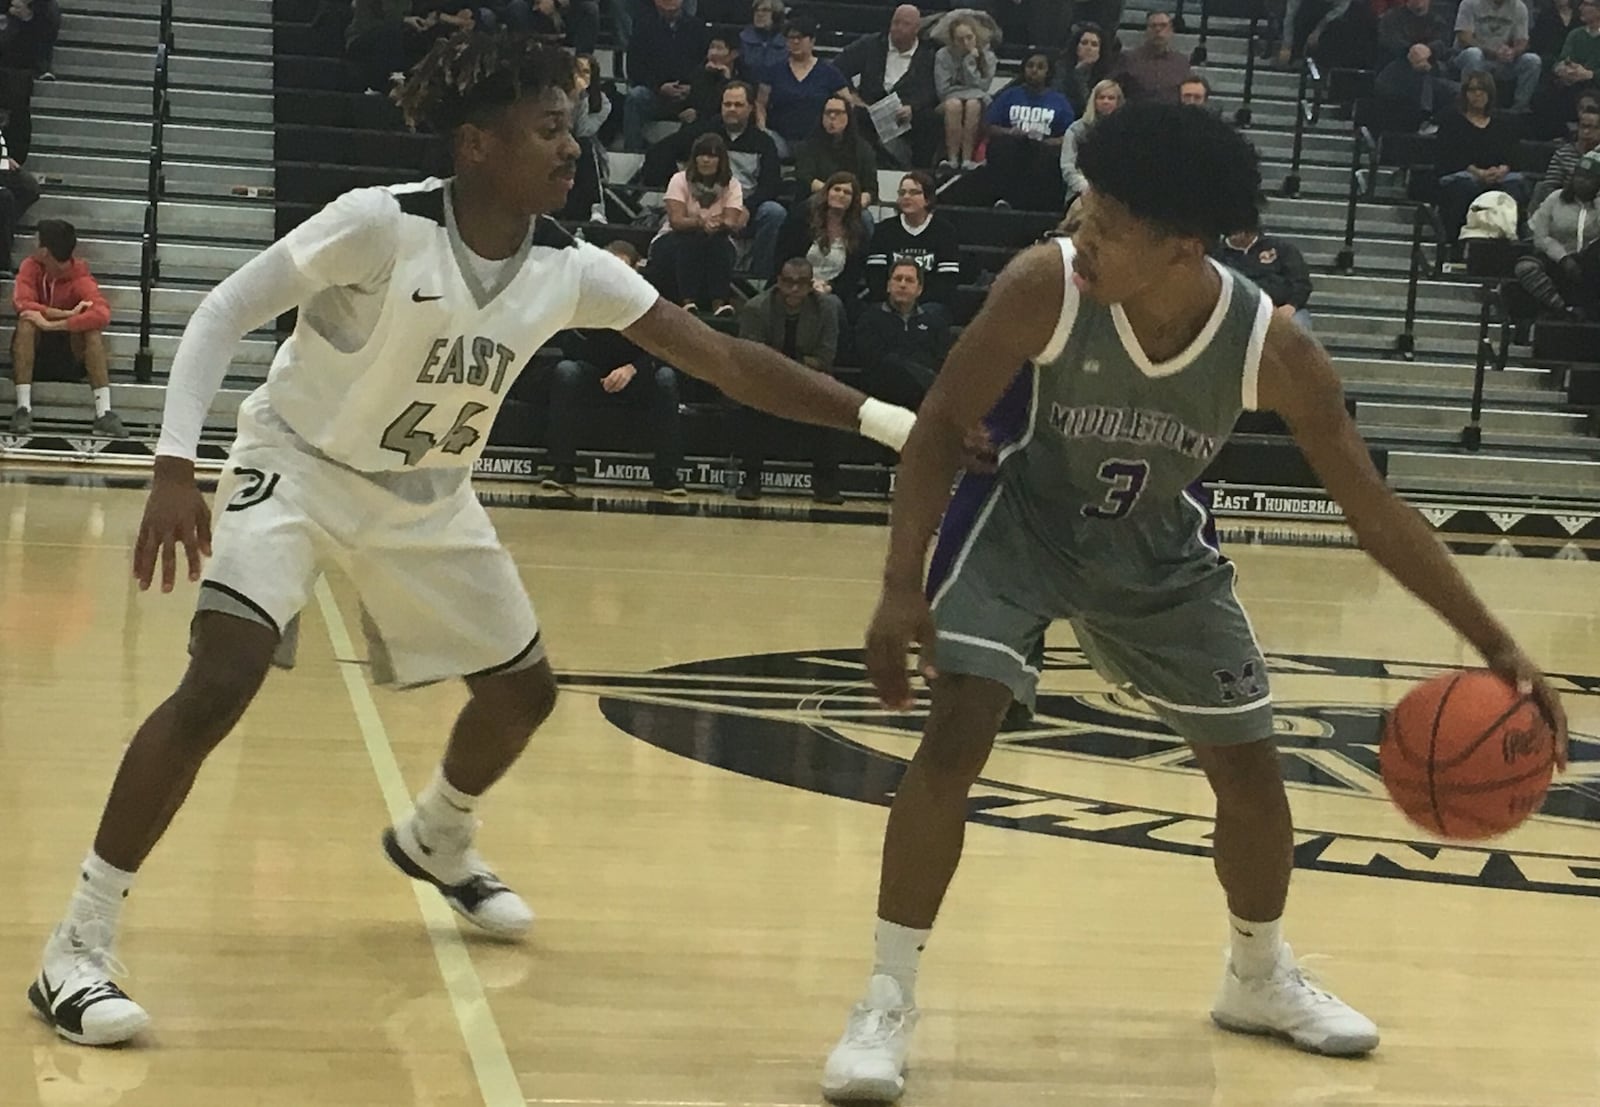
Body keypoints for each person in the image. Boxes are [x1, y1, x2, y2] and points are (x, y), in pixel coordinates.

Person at [27, 29, 920, 1050]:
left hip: (429, 496)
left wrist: (887, 422)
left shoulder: (568, 266)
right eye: (546, 129)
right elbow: (226, 310)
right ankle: (78, 944)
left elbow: (721, 358)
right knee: (222, 677)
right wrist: (176, 466)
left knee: (523, 696)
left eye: (572, 130)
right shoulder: (378, 226)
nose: (570, 148)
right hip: (301, 468)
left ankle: (437, 835)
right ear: (476, 144)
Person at [818, 102, 1569, 1103]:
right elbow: (942, 423)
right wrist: (897, 586)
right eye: (1083, 209)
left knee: (1253, 772)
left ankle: (1256, 976)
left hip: (1158, 549)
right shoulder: (1044, 285)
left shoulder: (1271, 347)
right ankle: (885, 996)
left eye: (1109, 224)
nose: (1081, 233)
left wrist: (1498, 645)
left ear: (1183, 249)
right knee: (956, 733)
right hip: (1022, 525)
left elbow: (1373, 510)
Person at [8, 218, 120, 437]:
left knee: (92, 330)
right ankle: (23, 408)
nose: (33, 244)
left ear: (45, 252)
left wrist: (54, 325)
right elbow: (21, 303)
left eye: (37, 241)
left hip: (69, 354)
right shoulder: (30, 266)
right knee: (27, 321)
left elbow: (101, 313)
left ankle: (104, 413)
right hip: (35, 352)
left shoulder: (79, 275)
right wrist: (65, 314)